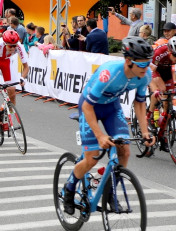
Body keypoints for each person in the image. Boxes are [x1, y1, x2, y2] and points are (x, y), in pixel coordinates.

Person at [61, 37, 155, 214]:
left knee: (124, 151)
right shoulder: (110, 73)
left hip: (112, 107)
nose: (146, 68)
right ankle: (69, 188)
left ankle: (110, 192)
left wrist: (145, 131)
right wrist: (100, 135)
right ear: (128, 61)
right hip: (90, 106)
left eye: (148, 64)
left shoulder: (145, 75)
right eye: (142, 65)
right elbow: (88, 106)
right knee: (92, 158)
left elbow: (140, 103)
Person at [147, 36, 176, 133]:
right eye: (175, 55)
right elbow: (150, 72)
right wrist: (155, 89)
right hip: (155, 71)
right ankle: (149, 116)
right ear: (169, 51)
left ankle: (163, 131)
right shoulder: (159, 53)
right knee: (162, 90)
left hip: (167, 70)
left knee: (168, 101)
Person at [0, 28, 28, 115]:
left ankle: (9, 116)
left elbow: (26, 67)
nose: (13, 48)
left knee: (12, 93)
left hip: (6, 61)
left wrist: (22, 78)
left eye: (14, 46)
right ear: (4, 43)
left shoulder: (19, 46)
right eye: (10, 46)